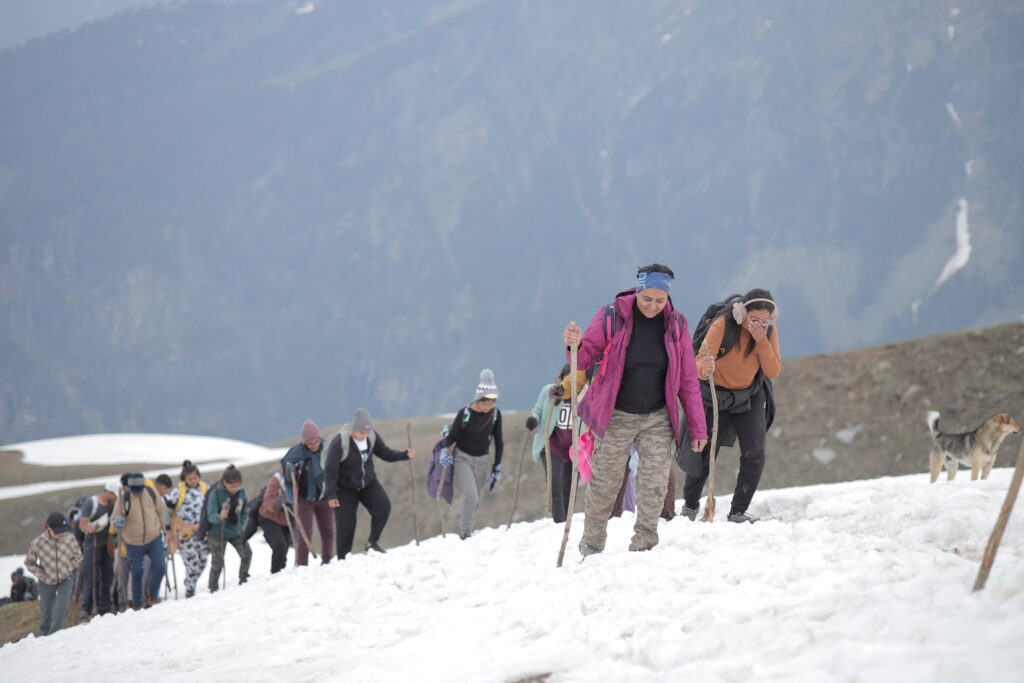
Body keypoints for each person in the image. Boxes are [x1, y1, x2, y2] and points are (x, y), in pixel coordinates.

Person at [562, 264, 708, 554]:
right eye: (647, 299)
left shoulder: (676, 325)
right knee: (605, 482)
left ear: (667, 297)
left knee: (654, 483)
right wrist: (575, 346)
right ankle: (591, 544)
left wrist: (698, 427)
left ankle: (644, 544)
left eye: (660, 300)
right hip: (616, 415)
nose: (652, 305)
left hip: (658, 417)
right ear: (638, 291)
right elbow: (586, 356)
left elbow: (688, 380)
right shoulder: (611, 316)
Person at [683, 288, 781, 523]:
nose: (759, 325)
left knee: (755, 454)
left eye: (765, 321)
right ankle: (690, 505)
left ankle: (738, 511)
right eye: (754, 320)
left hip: (750, 396)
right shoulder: (723, 325)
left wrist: (761, 341)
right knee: (704, 452)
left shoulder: (768, 332)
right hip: (715, 395)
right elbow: (698, 361)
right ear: (741, 313)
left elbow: (773, 371)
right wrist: (704, 368)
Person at [324, 408, 414, 558]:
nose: (364, 435)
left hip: (368, 483)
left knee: (383, 507)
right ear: (354, 430)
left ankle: (372, 543)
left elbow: (385, 453)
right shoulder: (340, 442)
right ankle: (343, 558)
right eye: (361, 432)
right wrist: (332, 494)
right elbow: (330, 470)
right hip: (345, 487)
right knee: (346, 525)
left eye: (367, 432)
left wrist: (404, 455)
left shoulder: (372, 437)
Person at [439, 370, 504, 539]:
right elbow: (453, 436)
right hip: (463, 458)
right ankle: (465, 533)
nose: (488, 408)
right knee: (471, 495)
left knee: (477, 499)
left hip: (482, 460)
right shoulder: (465, 413)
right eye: (485, 404)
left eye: (491, 404)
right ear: (478, 400)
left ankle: (469, 528)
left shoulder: (495, 414)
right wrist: (444, 450)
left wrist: (497, 467)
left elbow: (499, 441)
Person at [527, 365, 588, 524]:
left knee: (569, 484)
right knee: (555, 481)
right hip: (552, 444)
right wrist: (533, 420)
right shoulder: (550, 392)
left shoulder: (585, 397)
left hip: (574, 447)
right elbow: (538, 410)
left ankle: (567, 519)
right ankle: (559, 522)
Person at [280, 419, 335, 565]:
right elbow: (288, 479)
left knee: (328, 532)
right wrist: (291, 471)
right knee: (305, 535)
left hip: (324, 496)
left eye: (316, 441)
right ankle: (302, 565)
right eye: (310, 443)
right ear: (304, 442)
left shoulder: (327, 448)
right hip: (304, 499)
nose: (314, 445)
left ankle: (327, 560)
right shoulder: (294, 454)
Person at [112, 473, 167, 609]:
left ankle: (152, 595)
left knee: (160, 567)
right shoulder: (124, 498)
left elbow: (161, 511)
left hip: (154, 537)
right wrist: (117, 522)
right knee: (137, 573)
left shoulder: (151, 492)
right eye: (134, 490)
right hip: (133, 542)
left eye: (139, 489)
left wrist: (164, 528)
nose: (136, 493)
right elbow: (114, 519)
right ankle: (137, 603)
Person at [24, 513, 83, 636]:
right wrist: (42, 575)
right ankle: (44, 635)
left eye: (62, 531)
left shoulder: (70, 538)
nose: (59, 534)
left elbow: (78, 556)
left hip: (65, 578)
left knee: (62, 606)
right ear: (49, 528)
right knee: (46, 610)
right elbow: (29, 563)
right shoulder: (38, 542)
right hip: (46, 581)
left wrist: (68, 569)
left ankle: (54, 635)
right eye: (56, 531)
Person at [165, 460, 209, 598]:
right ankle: (190, 591)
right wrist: (168, 529)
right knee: (192, 563)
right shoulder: (178, 492)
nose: (193, 481)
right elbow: (167, 511)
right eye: (190, 479)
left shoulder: (205, 489)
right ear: (184, 478)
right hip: (185, 532)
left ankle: (190, 581)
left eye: (195, 478)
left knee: (203, 561)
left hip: (202, 531)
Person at [206, 464, 251, 591]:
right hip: (218, 531)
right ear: (225, 483)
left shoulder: (242, 492)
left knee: (247, 553)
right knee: (218, 562)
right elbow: (210, 514)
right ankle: (213, 588)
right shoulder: (216, 494)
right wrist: (219, 516)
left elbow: (245, 510)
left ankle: (243, 579)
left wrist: (241, 524)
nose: (235, 489)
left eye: (237, 486)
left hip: (236, 530)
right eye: (232, 486)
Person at [77, 481, 119, 616]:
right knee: (92, 576)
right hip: (93, 544)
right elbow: (82, 524)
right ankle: (87, 607)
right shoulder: (91, 503)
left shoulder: (112, 505)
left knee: (108, 575)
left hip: (107, 544)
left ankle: (105, 606)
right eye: (114, 495)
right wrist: (91, 529)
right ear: (109, 492)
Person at [258, 471, 292, 573]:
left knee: (285, 546)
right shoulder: (277, 480)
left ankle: (281, 569)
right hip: (269, 517)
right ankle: (275, 572)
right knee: (279, 545)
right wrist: (276, 504)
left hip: (287, 519)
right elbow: (268, 501)